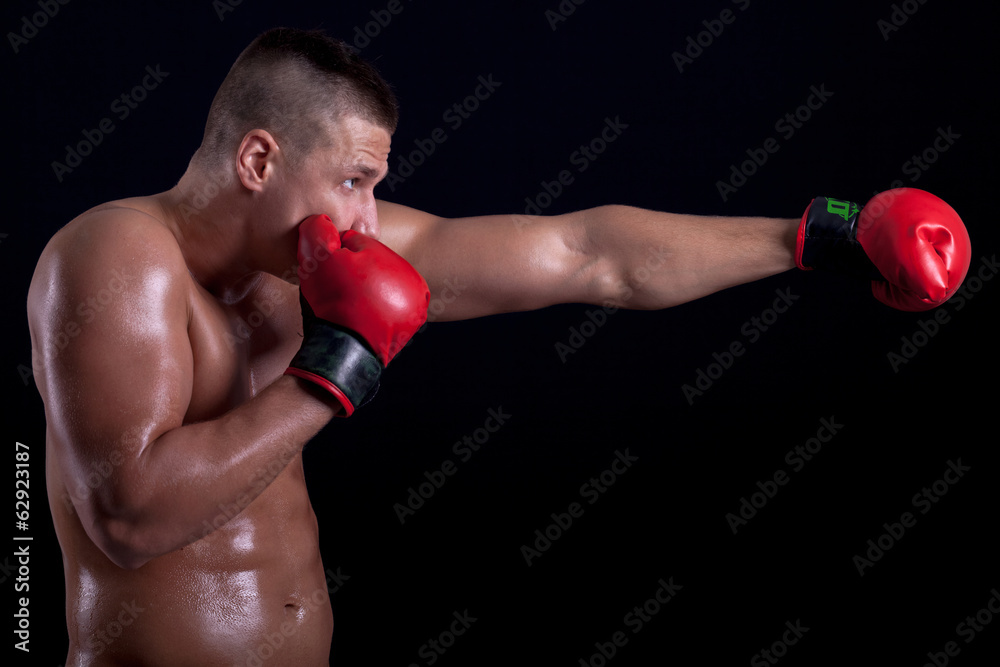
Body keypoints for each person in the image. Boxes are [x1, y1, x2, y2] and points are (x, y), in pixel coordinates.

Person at [26, 27, 970, 666]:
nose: (367, 218)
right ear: (260, 160)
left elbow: (587, 253)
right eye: (353, 181)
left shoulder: (302, 259)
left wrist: (817, 236)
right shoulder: (115, 258)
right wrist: (338, 367)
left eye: (374, 186)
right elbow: (131, 516)